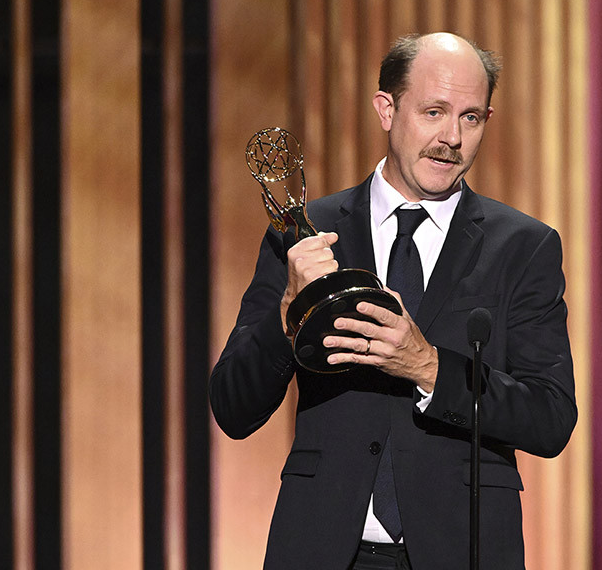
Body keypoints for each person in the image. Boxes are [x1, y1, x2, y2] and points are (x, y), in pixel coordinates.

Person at [210, 32, 576, 570]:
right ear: (387, 109)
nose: (451, 137)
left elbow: (550, 419)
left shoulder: (522, 246)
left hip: (463, 551)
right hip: (323, 550)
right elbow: (233, 408)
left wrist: (430, 368)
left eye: (471, 118)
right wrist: (289, 313)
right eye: (433, 111)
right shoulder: (309, 235)